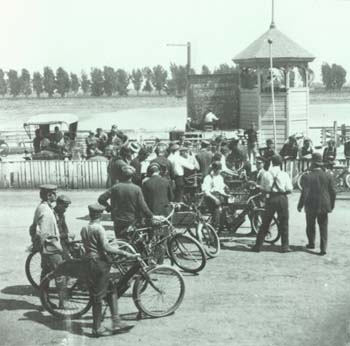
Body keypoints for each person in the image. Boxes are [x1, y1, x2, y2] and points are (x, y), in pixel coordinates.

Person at [81, 203, 138, 337]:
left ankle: (116, 320)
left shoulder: (84, 228)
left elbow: (92, 245)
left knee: (112, 289)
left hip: (88, 262)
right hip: (98, 264)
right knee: (98, 297)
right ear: (100, 215)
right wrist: (125, 253)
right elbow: (106, 248)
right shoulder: (99, 228)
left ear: (90, 214)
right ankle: (96, 329)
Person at [98, 165, 154, 239]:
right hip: (132, 220)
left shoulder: (115, 187)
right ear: (132, 176)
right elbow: (143, 206)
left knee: (121, 242)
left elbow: (101, 199)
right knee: (133, 242)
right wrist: (151, 216)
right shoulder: (137, 189)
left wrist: (109, 208)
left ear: (122, 176)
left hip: (118, 219)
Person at [251, 155, 293, 253]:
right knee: (284, 222)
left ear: (271, 162)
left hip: (271, 198)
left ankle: (258, 246)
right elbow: (290, 189)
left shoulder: (266, 174)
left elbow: (263, 189)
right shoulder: (284, 174)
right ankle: (285, 246)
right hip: (282, 198)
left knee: (265, 222)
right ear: (281, 163)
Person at [297, 153, 336, 255]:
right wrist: (332, 204)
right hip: (324, 205)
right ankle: (323, 248)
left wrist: (300, 205)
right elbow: (333, 192)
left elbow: (305, 193)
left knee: (310, 225)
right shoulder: (328, 175)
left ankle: (311, 243)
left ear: (312, 163)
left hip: (311, 205)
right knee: (323, 226)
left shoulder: (307, 177)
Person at [29, 185, 62, 279]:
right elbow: (44, 233)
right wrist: (55, 247)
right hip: (50, 247)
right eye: (55, 193)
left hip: (46, 247)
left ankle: (43, 291)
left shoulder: (43, 207)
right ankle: (62, 293)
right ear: (49, 195)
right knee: (60, 271)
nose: (57, 195)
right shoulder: (45, 211)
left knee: (47, 269)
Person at [202, 161, 228, 232]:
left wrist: (226, 195)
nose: (220, 171)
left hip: (218, 196)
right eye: (219, 169)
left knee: (226, 211)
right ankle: (214, 228)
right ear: (215, 169)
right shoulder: (208, 178)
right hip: (210, 198)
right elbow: (206, 192)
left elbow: (221, 190)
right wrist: (214, 199)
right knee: (216, 212)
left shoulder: (220, 177)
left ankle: (223, 226)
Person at [54, 194, 74, 260]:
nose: (66, 209)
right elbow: (55, 233)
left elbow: (64, 226)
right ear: (59, 205)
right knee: (66, 258)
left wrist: (68, 236)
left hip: (62, 238)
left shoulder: (61, 214)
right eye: (64, 207)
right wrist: (66, 235)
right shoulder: (53, 215)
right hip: (56, 239)